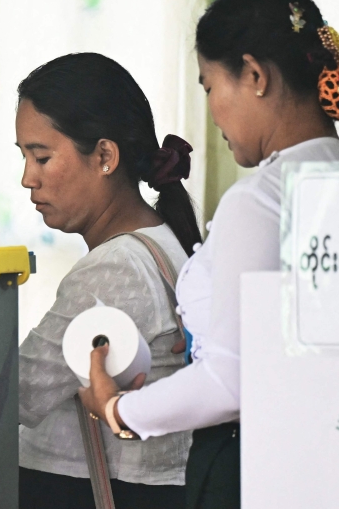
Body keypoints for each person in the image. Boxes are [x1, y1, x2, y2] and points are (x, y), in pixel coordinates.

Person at [77, 0, 339, 508]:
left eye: (210, 87)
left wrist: (119, 409)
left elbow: (231, 381)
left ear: (255, 76)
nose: (212, 110)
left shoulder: (261, 199)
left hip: (253, 465)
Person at [15, 53, 203, 509]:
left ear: (104, 156)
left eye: (42, 157)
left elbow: (17, 396)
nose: (27, 179)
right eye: (24, 157)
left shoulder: (115, 268)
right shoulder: (158, 241)